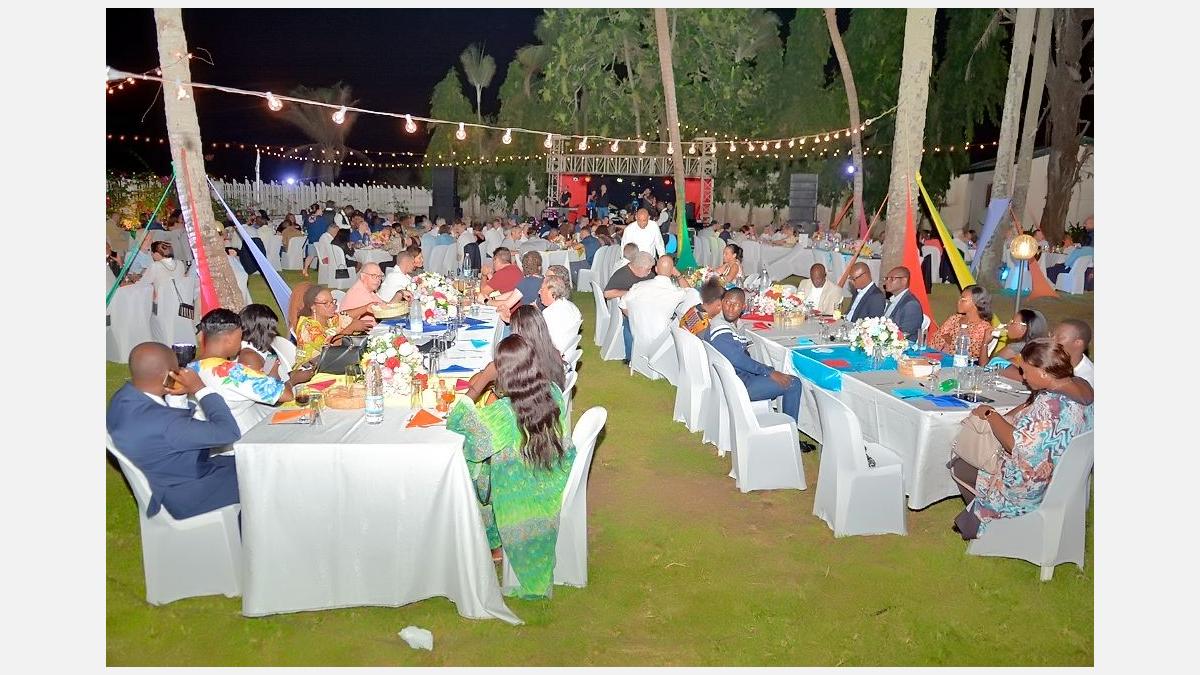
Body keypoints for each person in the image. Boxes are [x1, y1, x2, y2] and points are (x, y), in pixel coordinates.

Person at [447, 334, 574, 598]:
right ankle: (493, 544)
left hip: (524, 489)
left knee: (474, 470)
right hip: (553, 472)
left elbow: (456, 421)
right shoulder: (551, 390)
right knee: (482, 465)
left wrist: (483, 380)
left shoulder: (505, 413)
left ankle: (490, 541)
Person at [949, 339, 1094, 540]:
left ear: (1043, 372)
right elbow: (1036, 426)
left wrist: (990, 414)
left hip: (1032, 487)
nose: (1023, 377)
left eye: (1025, 371)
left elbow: (1015, 445)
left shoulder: (1050, 406)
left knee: (962, 464)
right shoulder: (1082, 387)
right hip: (1065, 477)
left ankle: (989, 528)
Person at [107, 342, 243, 520]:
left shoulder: (123, 397)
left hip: (168, 471)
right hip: (184, 494)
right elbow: (229, 432)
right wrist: (200, 389)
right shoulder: (167, 424)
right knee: (261, 474)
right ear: (169, 375)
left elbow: (173, 428)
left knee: (248, 460)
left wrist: (176, 396)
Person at [188, 308, 313, 434]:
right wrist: (293, 379)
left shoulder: (188, 368)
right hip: (235, 438)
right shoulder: (234, 374)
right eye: (239, 337)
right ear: (229, 340)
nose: (241, 342)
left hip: (200, 435)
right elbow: (286, 394)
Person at [705, 288, 804, 422]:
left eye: (736, 305)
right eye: (727, 302)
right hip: (736, 385)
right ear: (722, 302)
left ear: (743, 307)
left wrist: (764, 371)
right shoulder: (720, 327)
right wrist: (769, 372)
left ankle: (785, 425)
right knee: (793, 383)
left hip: (734, 378)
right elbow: (737, 359)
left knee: (775, 373)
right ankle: (791, 429)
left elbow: (741, 356)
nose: (731, 308)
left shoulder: (734, 323)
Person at [466, 305, 566, 402]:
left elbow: (471, 389)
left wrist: (486, 375)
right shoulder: (554, 353)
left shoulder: (516, 361)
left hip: (520, 407)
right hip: (546, 405)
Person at [619, 255, 689, 362]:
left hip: (638, 335)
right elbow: (690, 292)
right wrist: (678, 275)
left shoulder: (638, 286)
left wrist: (637, 317)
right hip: (662, 340)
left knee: (627, 322)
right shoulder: (675, 292)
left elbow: (622, 305)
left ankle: (630, 356)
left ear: (655, 269)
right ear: (672, 271)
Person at [290, 284, 376, 365]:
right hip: (310, 368)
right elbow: (330, 349)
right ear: (313, 307)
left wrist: (366, 308)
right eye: (325, 303)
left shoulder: (328, 319)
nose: (332, 306)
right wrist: (350, 329)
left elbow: (343, 315)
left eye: (332, 302)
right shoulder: (308, 327)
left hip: (327, 363)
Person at [928, 285, 994, 364]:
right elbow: (935, 340)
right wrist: (951, 341)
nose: (958, 301)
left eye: (963, 299)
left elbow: (972, 354)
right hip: (939, 360)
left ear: (976, 303)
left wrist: (950, 341)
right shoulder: (955, 318)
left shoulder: (983, 327)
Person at [237, 303, 285, 379]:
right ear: (261, 331)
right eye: (272, 329)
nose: (274, 333)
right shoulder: (249, 357)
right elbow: (261, 385)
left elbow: (267, 371)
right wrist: (294, 380)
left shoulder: (261, 348)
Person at [539, 274, 583, 356]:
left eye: (542, 290)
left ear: (551, 292)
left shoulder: (548, 313)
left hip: (554, 355)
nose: (539, 292)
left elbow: (543, 341)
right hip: (568, 352)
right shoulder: (573, 307)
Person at [880, 266, 925, 341]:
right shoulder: (893, 299)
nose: (886, 282)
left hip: (902, 345)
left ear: (904, 281)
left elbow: (905, 333)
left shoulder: (911, 304)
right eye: (886, 278)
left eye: (892, 279)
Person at [1051, 319, 1095, 387]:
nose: (1051, 340)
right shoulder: (1051, 360)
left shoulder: (1086, 380)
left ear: (1078, 343)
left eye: (1060, 337)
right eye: (1051, 335)